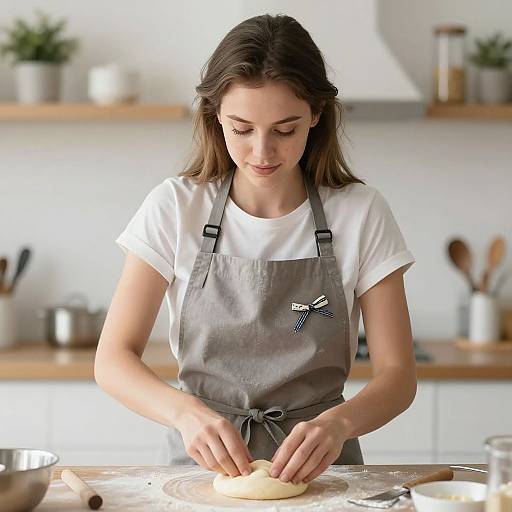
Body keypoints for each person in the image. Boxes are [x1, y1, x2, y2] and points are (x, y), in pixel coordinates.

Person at [94, 13, 416, 486]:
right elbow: (113, 359)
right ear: (214, 116)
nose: (262, 152)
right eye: (241, 129)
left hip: (326, 474)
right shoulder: (175, 206)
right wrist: (185, 413)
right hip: (198, 472)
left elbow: (398, 375)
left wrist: (339, 423)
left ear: (316, 115)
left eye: (285, 130)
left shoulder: (361, 212)